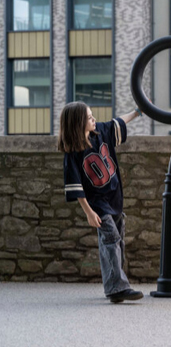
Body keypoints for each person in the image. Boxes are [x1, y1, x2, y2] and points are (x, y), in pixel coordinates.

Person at [58, 101, 144, 303]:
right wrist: (88, 212)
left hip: (115, 197)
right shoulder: (72, 154)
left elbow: (118, 122)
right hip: (97, 204)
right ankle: (117, 288)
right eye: (89, 117)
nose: (93, 119)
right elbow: (76, 186)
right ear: (78, 123)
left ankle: (114, 286)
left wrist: (138, 112)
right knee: (111, 239)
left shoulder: (101, 132)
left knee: (117, 242)